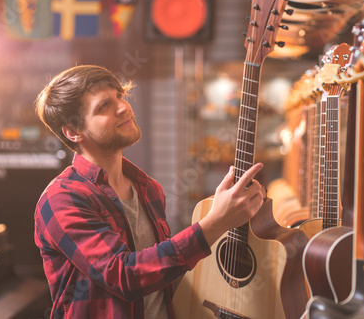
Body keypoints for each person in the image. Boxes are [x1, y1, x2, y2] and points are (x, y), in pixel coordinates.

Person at [34, 65, 266, 319]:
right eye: (103, 106)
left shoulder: (148, 188)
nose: (124, 107)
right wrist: (216, 222)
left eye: (119, 96)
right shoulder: (62, 198)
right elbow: (124, 276)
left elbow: (161, 273)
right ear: (73, 132)